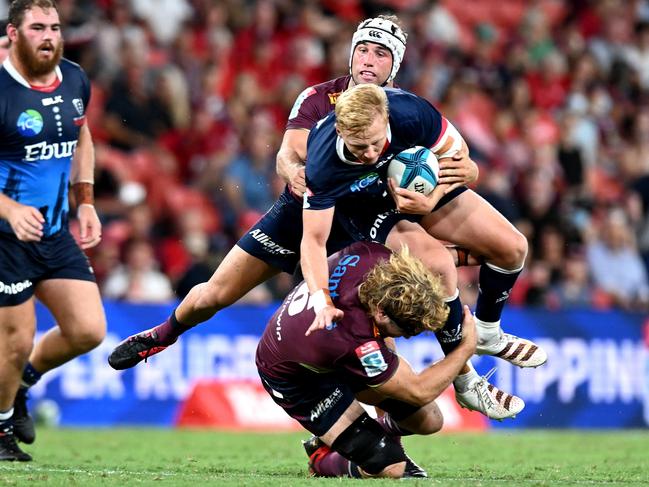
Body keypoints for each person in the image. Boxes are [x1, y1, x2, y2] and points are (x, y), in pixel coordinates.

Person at [108, 16, 529, 419]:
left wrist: (456, 178)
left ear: (394, 67)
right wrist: (294, 172)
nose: (368, 60)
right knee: (215, 294)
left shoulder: (403, 111)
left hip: (362, 217)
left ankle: (463, 379)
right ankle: (162, 335)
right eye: (362, 50)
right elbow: (288, 154)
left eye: (380, 54)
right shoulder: (318, 101)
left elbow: (462, 161)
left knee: (433, 268)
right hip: (304, 209)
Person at [256, 240, 481, 479]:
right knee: (391, 468)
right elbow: (419, 391)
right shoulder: (355, 339)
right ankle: (321, 458)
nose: (406, 337)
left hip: (319, 346)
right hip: (295, 379)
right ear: (382, 313)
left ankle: (351, 438)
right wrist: (466, 348)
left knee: (430, 420)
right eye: (406, 330)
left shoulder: (374, 255)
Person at [0, 0, 106, 461]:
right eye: (38, 27)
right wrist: (8, 210)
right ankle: (1, 427)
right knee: (16, 336)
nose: (49, 36)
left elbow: (82, 138)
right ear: (13, 33)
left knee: (87, 330)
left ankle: (20, 384)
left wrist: (85, 202)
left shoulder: (76, 78)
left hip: (52, 229)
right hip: (4, 235)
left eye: (55, 27)